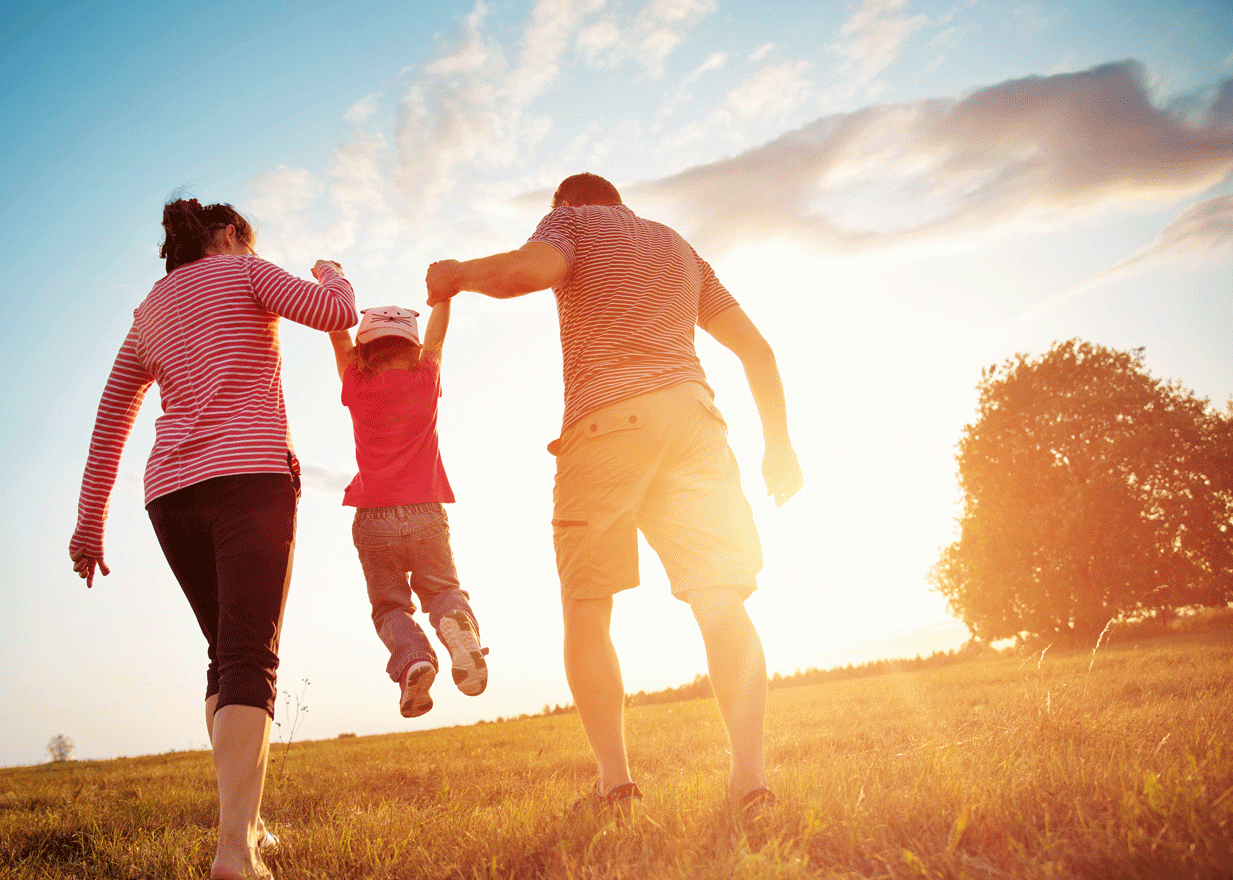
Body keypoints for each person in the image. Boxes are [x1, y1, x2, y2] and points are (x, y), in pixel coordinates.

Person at [425, 173, 803, 819]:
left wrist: (455, 275)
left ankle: (616, 786)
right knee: (720, 600)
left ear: (565, 204)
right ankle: (751, 783)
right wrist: (779, 446)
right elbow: (758, 352)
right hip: (694, 423)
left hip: (607, 425)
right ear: (620, 201)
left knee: (587, 606)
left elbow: (526, 272)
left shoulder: (572, 222)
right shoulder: (679, 246)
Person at [69, 198, 356, 880]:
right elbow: (336, 313)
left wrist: (89, 522)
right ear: (229, 236)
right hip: (249, 477)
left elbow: (111, 416)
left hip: (170, 496)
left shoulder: (148, 310)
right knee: (250, 656)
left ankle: (246, 826)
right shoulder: (245, 270)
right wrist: (332, 272)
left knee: (224, 657)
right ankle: (234, 854)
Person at [327, 300, 488, 719]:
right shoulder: (426, 378)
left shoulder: (356, 385)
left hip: (373, 518)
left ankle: (413, 659)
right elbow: (437, 338)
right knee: (443, 590)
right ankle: (457, 621)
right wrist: (444, 296)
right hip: (425, 511)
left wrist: (330, 280)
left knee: (391, 607)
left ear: (364, 352)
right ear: (414, 350)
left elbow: (338, 337)